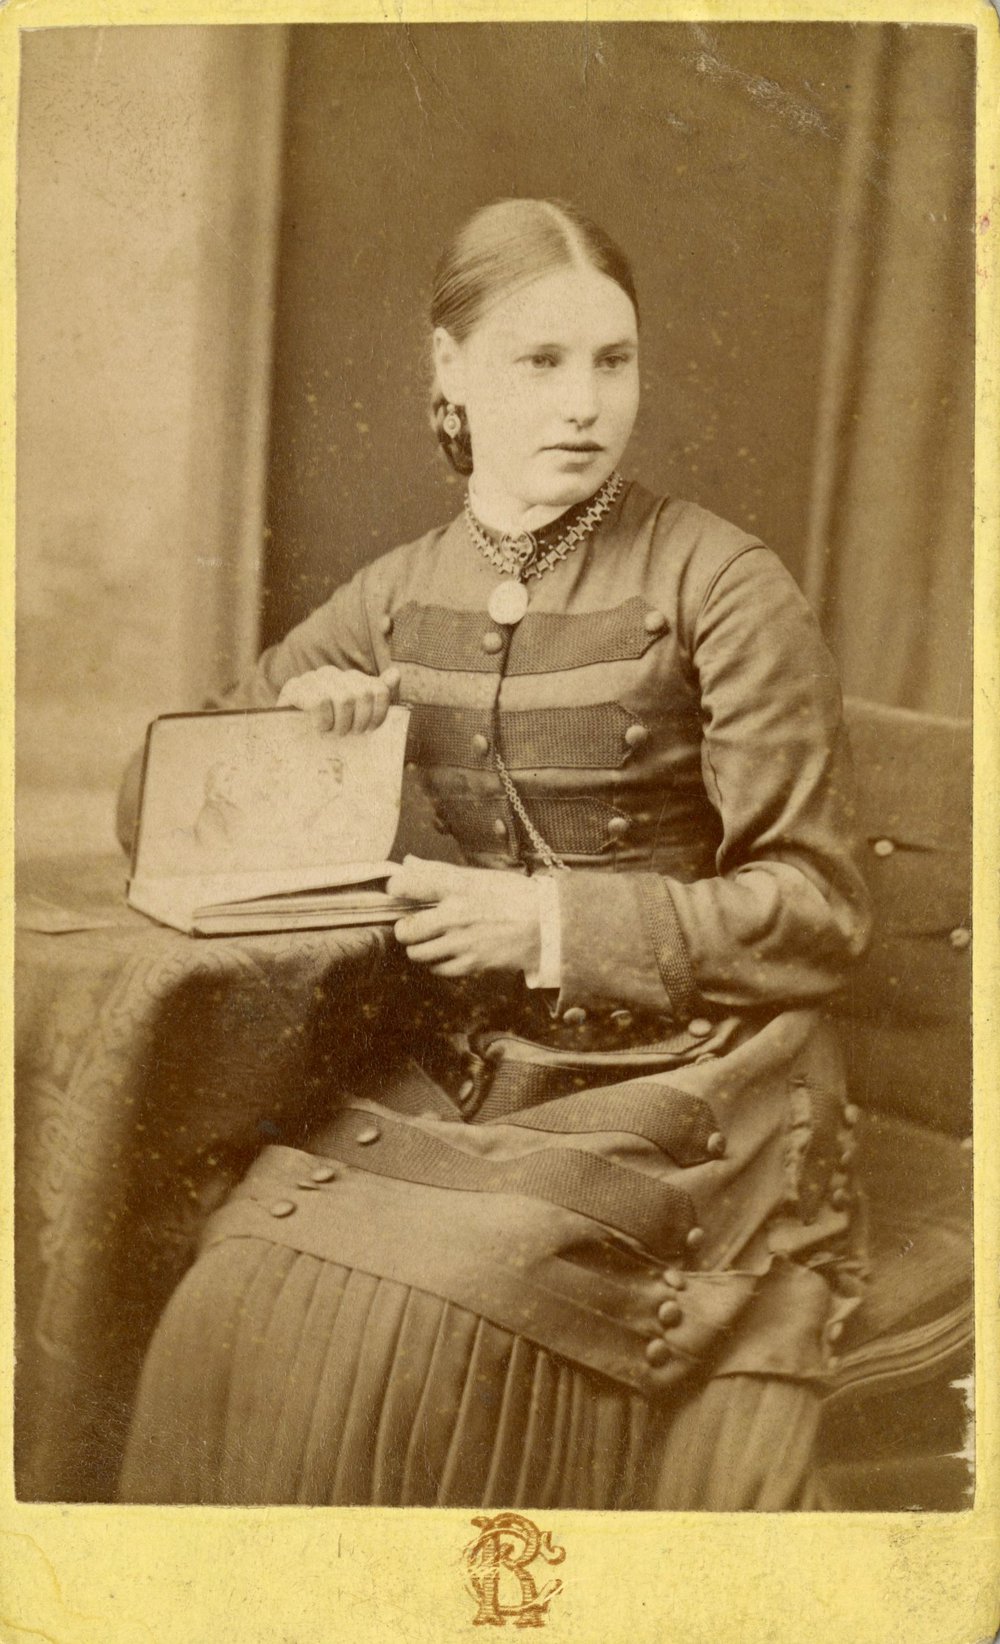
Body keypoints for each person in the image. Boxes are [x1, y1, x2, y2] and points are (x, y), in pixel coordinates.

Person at [117, 197, 872, 1511]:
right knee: (232, 1282)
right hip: (475, 1086)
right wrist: (286, 734)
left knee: (443, 1315)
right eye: (541, 361)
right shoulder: (400, 590)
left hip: (695, 1089)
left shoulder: (723, 585)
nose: (585, 404)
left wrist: (552, 926)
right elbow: (147, 807)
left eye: (612, 361)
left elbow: (818, 913)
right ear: (450, 372)